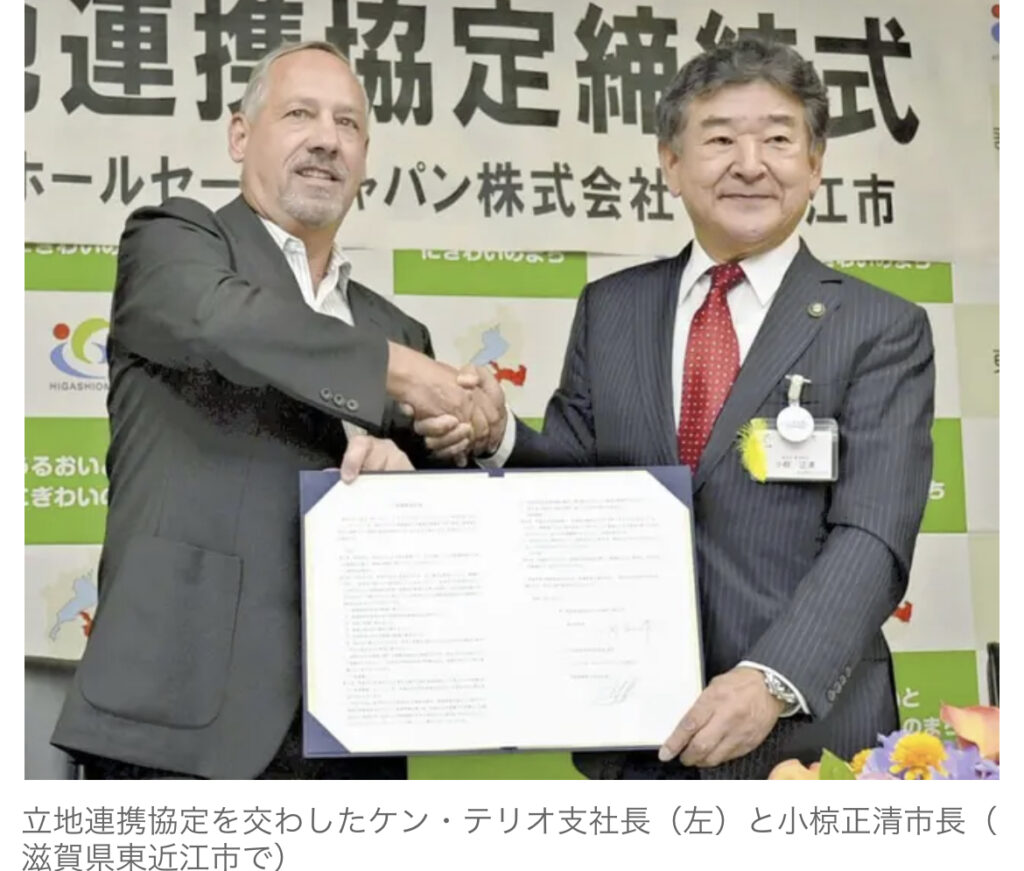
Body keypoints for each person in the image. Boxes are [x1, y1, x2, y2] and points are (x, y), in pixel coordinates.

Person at [421, 38, 935, 779]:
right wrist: (499, 436)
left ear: (816, 163)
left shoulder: (881, 327)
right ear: (670, 163)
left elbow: (874, 536)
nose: (750, 164)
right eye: (720, 139)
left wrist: (771, 681)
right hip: (639, 737)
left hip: (809, 741)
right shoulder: (613, 309)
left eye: (778, 139)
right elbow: (572, 483)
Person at [50, 40, 499, 779]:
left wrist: (461, 441)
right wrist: (402, 373)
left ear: (365, 157)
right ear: (239, 135)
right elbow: (222, 323)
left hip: (356, 729)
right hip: (180, 718)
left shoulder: (396, 327)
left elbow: (443, 537)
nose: (327, 139)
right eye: (299, 115)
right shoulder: (172, 244)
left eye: (348, 124)